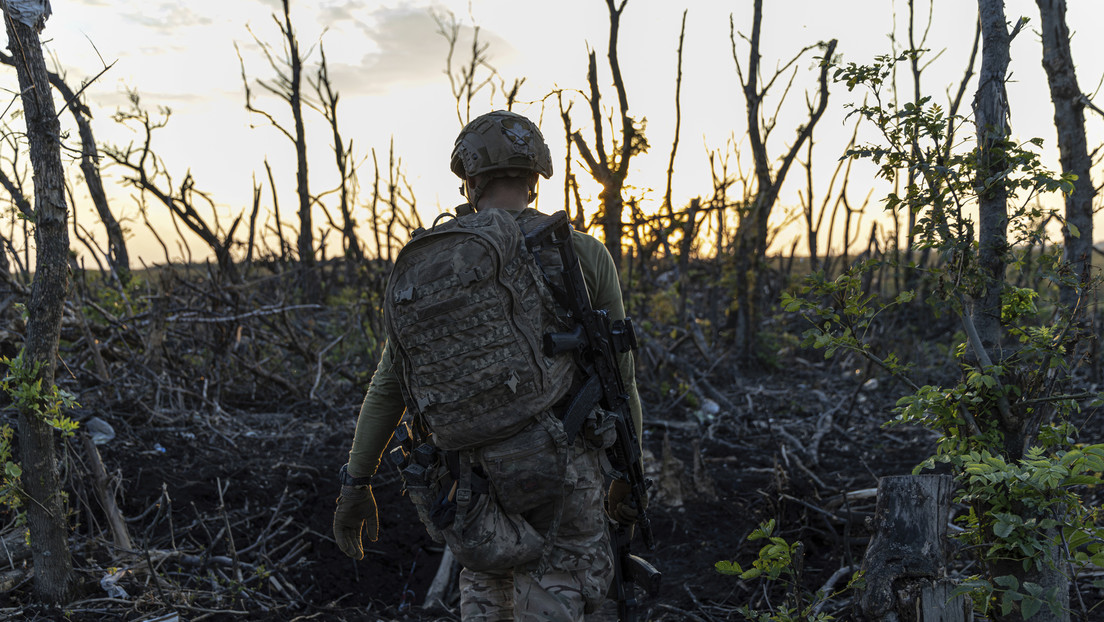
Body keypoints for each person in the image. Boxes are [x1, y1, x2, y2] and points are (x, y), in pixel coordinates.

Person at [332, 110, 644, 621]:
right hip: (565, 465)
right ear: (534, 178)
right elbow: (620, 376)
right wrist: (631, 473)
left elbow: (390, 382)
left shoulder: (436, 264)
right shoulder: (582, 253)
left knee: (487, 593)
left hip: (470, 475)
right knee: (562, 592)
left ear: (470, 180)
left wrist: (356, 481)